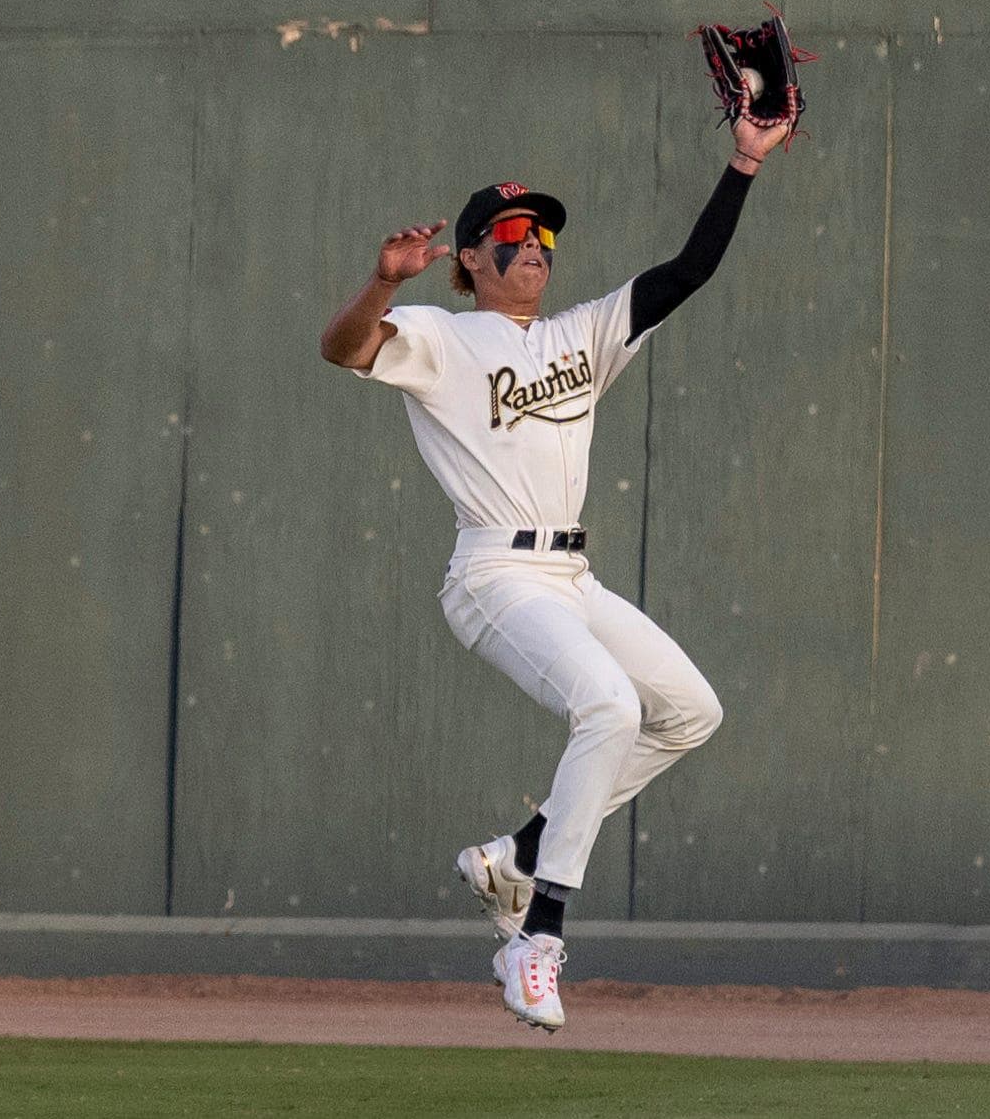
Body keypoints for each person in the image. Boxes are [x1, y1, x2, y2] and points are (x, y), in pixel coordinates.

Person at [318, 112, 794, 1031]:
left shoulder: (584, 334)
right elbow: (341, 350)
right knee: (610, 706)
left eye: (543, 233)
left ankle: (521, 852)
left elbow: (685, 273)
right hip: (494, 575)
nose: (534, 244)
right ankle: (536, 939)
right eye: (511, 234)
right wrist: (381, 283)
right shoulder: (438, 335)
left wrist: (742, 162)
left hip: (571, 576)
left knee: (691, 711)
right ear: (469, 258)